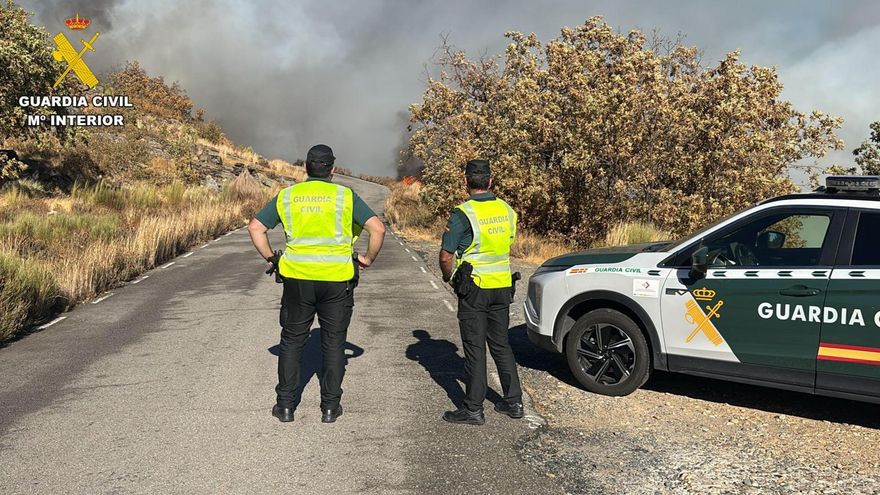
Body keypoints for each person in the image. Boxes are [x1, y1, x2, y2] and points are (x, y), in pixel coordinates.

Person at [248, 144, 385, 424]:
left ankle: (285, 406)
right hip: (337, 280)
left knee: (291, 341)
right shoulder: (345, 196)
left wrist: (272, 259)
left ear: (305, 168)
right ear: (333, 169)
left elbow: (255, 227)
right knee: (334, 344)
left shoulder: (288, 196)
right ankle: (330, 408)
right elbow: (377, 229)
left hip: (297, 279)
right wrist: (367, 259)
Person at [438, 159, 523, 425]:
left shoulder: (463, 214)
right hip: (502, 287)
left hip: (474, 288)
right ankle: (514, 402)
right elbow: (508, 241)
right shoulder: (507, 210)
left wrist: (448, 277)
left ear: (466, 182)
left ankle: (473, 408)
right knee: (501, 345)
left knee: (475, 349)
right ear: (490, 180)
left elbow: (445, 255)